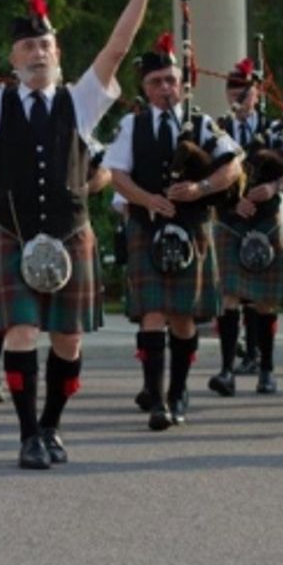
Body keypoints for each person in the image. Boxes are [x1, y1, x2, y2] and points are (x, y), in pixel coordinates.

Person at [0, 0, 165, 469]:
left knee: (67, 340)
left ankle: (50, 427)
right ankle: (26, 436)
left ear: (57, 54)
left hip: (71, 235)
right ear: (14, 60)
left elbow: (116, 47)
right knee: (21, 331)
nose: (38, 54)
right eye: (28, 49)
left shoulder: (80, 100)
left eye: (46, 47)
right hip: (13, 233)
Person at [108, 34, 241, 429]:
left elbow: (233, 165)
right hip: (148, 229)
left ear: (182, 84)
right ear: (145, 88)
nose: (165, 88)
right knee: (152, 314)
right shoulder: (132, 125)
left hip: (192, 228)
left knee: (183, 318)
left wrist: (202, 188)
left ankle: (178, 392)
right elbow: (116, 175)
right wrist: (147, 200)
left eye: (171, 80)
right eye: (156, 82)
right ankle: (157, 401)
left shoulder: (202, 124)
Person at [210, 57, 283, 399]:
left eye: (245, 90)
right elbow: (206, 175)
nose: (238, 95)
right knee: (229, 297)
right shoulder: (215, 129)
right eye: (233, 88)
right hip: (230, 219)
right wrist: (230, 200)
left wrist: (274, 188)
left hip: (265, 218)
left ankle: (266, 368)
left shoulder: (276, 129)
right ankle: (225, 369)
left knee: (265, 301)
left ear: (257, 93)